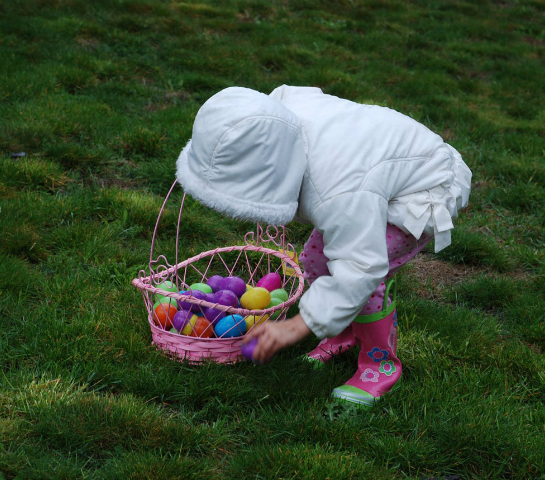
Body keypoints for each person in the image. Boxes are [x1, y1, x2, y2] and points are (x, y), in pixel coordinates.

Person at [176, 85, 472, 406]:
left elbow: (361, 267)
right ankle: (345, 331)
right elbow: (296, 92)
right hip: (375, 167)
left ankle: (380, 365)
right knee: (317, 260)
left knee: (365, 279)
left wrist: (295, 327)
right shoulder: (275, 117)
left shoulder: (339, 189)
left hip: (426, 185)